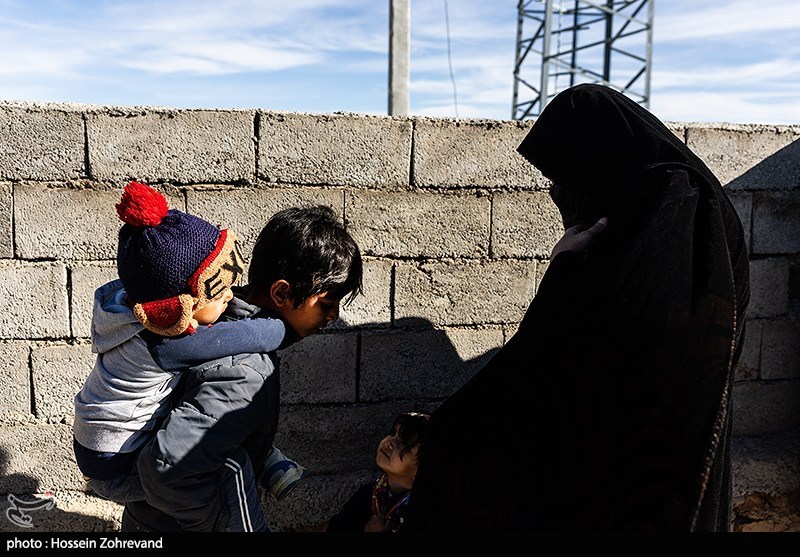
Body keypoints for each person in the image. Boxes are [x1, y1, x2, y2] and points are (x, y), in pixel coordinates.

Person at [404, 83, 750, 532]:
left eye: (561, 180)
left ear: (594, 159)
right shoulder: (660, 201)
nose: (556, 194)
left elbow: (572, 342)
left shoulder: (674, 204)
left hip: (646, 469)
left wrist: (564, 266)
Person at [120, 204, 364, 532]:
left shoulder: (214, 314)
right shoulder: (246, 372)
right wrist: (221, 520)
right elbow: (166, 470)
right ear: (281, 292)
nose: (333, 316)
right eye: (327, 303)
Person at [73, 181, 306, 516]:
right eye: (219, 292)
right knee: (220, 460)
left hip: (100, 449)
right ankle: (260, 467)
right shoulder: (163, 343)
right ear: (176, 307)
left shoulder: (133, 310)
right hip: (116, 467)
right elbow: (258, 335)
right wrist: (290, 324)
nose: (230, 295)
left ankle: (266, 456)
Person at [326, 411, 431, 533]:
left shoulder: (426, 510)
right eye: (393, 433)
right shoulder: (366, 494)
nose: (390, 442)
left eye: (404, 443)